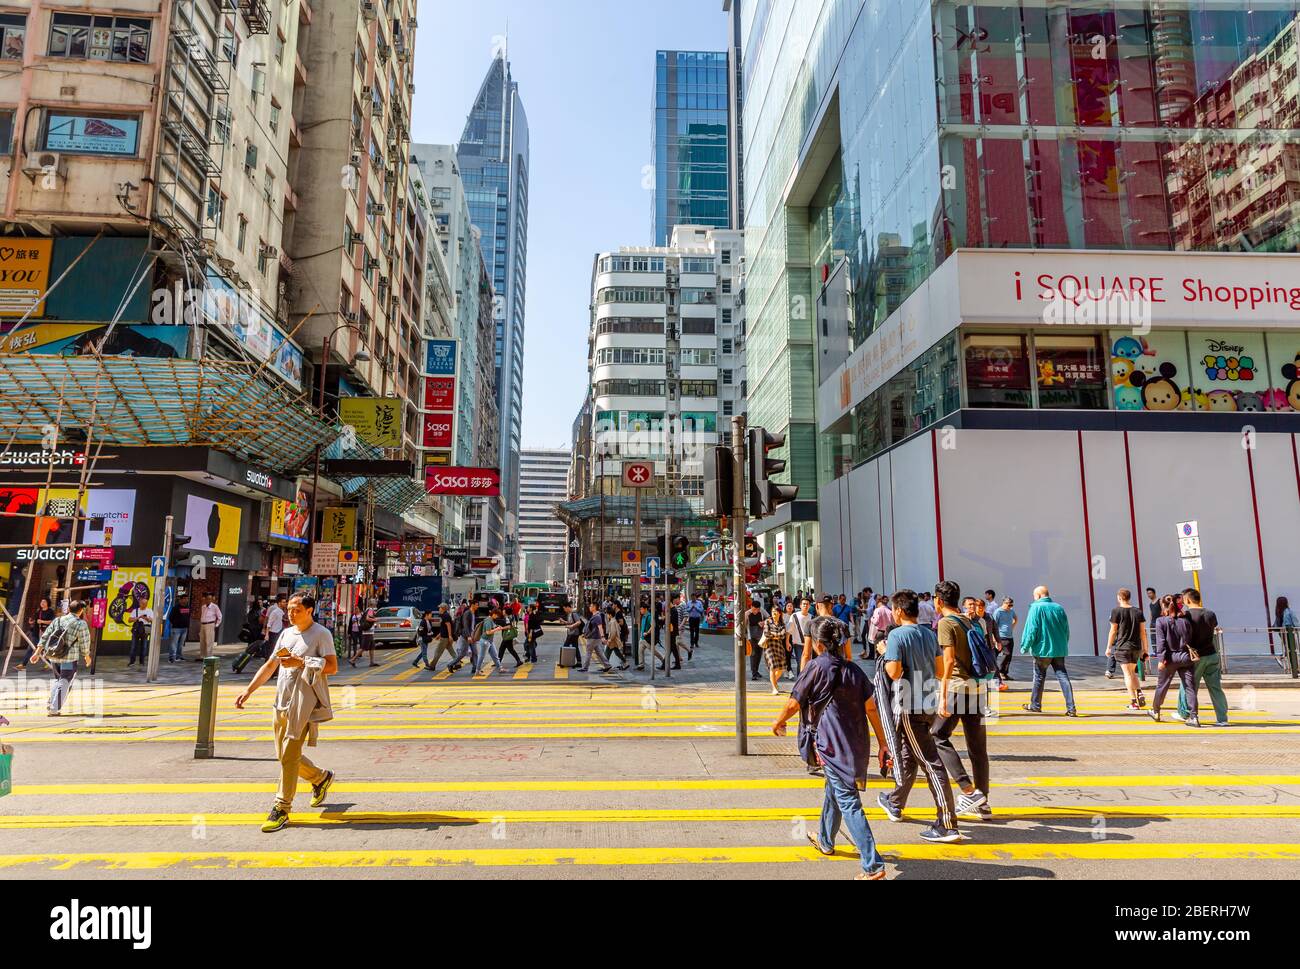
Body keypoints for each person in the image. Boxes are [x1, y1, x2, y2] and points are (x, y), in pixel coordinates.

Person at [772, 616, 891, 879]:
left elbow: (793, 703)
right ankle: (826, 840)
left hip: (831, 746)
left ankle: (873, 865)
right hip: (857, 744)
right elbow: (871, 708)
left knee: (848, 801)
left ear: (817, 643)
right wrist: (883, 744)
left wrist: (778, 722)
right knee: (833, 791)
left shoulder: (816, 667)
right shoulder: (855, 670)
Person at [235, 593, 337, 833]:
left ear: (310, 610)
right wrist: (249, 691)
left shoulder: (321, 634)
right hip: (280, 702)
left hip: (302, 705)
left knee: (289, 756)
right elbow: (271, 665)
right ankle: (320, 777)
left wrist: (301, 662)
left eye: (297, 610)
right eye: (290, 609)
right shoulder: (286, 633)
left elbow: (332, 667)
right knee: (284, 757)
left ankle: (281, 807)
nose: (291, 614)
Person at [876, 590, 962, 842]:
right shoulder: (928, 633)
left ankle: (947, 823)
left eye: (894, 609)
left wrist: (884, 652)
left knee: (930, 763)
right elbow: (938, 668)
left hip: (908, 706)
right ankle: (895, 801)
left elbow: (893, 672)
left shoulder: (896, 635)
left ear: (900, 611)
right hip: (928, 703)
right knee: (908, 756)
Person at [932, 584, 993, 821]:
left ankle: (967, 788)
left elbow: (948, 661)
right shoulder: (969, 620)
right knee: (977, 746)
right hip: (978, 688)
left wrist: (942, 695)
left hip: (958, 687)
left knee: (937, 734)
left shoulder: (946, 623)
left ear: (938, 601)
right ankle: (983, 801)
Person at [1020, 585, 1077, 716]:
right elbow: (1066, 629)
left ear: (1039, 596)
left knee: (1039, 677)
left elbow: (1031, 630)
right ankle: (1071, 707)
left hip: (1042, 649)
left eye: (1034, 596)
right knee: (1063, 676)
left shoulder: (1035, 607)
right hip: (1059, 649)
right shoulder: (1059, 608)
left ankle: (1035, 705)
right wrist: (1063, 644)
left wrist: (1025, 646)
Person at [1177, 587, 1229, 727]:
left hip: (1195, 657)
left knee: (1188, 686)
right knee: (1215, 687)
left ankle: (1185, 713)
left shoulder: (1186, 615)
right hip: (1211, 654)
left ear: (1187, 599)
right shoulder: (1210, 614)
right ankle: (1222, 718)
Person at [1149, 594, 1198, 726]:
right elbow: (1190, 639)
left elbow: (1161, 642)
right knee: (1190, 687)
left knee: (1162, 686)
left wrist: (1161, 659)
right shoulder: (1186, 621)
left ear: (1163, 607)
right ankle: (1194, 716)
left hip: (1169, 658)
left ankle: (1156, 711)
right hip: (1185, 657)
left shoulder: (1161, 621)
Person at [41, 600, 91, 716]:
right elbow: (85, 642)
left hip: (54, 657)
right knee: (65, 682)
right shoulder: (80, 623)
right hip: (69, 658)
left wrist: (37, 652)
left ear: (69, 609)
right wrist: (87, 656)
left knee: (58, 680)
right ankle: (54, 709)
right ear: (81, 610)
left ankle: (51, 703)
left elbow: (45, 636)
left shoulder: (58, 620)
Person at [1106, 588, 1148, 711]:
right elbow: (1143, 632)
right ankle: (1139, 691)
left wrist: (1109, 647)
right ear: (1129, 597)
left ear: (1119, 597)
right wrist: (1145, 649)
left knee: (1127, 674)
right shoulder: (1138, 611)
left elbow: (1113, 631)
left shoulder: (1116, 611)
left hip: (1122, 646)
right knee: (1132, 672)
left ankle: (1133, 702)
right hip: (1136, 647)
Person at [762, 605, 789, 695]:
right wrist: (776, 634)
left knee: (781, 669)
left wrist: (773, 634)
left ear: (779, 613)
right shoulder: (767, 621)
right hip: (769, 647)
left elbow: (782, 635)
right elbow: (766, 633)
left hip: (779, 648)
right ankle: (774, 688)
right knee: (773, 667)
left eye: (776, 611)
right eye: (773, 611)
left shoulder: (782, 624)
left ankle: (774, 682)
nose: (774, 613)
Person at [581, 602, 613, 674]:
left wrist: (602, 637)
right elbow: (591, 627)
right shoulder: (595, 616)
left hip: (593, 638)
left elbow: (600, 627)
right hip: (594, 637)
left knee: (588, 652)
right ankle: (607, 665)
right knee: (599, 652)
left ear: (594, 607)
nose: (589, 607)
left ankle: (585, 667)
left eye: (591, 606)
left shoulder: (597, 617)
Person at [991, 596, 1017, 680]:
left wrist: (1012, 627)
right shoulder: (998, 612)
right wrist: (994, 638)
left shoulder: (1011, 611)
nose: (1010, 607)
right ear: (1004, 603)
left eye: (1011, 605)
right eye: (1009, 605)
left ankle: (1003, 673)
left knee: (1008, 656)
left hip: (1009, 637)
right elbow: (993, 625)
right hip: (1000, 637)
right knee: (995, 654)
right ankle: (994, 672)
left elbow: (1015, 619)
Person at [428, 603, 459, 672]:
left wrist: (450, 636)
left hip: (445, 638)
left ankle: (432, 666)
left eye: (440, 608)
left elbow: (448, 626)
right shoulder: (444, 615)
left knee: (438, 652)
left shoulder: (445, 615)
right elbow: (444, 628)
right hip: (445, 636)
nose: (439, 609)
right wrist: (439, 635)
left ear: (443, 608)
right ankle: (457, 663)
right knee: (451, 650)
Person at [786, 598, 813, 677]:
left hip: (809, 645)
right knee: (800, 663)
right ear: (800, 605)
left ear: (809, 606)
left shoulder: (812, 617)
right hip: (798, 644)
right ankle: (800, 681)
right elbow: (789, 631)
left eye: (807, 604)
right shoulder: (794, 616)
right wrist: (787, 642)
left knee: (808, 663)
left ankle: (806, 682)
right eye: (803, 604)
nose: (805, 605)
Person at [349, 600, 378, 667]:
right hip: (368, 632)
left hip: (369, 632)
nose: (376, 604)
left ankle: (372, 662)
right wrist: (375, 620)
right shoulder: (370, 610)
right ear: (373, 604)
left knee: (372, 647)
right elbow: (368, 618)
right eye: (375, 603)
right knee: (363, 648)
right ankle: (352, 660)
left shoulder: (367, 609)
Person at [196, 594, 221, 661]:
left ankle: (208, 656)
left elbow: (219, 616)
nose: (208, 600)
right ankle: (202, 656)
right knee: (202, 641)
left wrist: (216, 625)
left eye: (210, 599)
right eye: (207, 599)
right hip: (203, 624)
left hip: (210, 624)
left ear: (212, 600)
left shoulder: (215, 607)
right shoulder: (203, 606)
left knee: (209, 641)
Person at [745, 598, 766, 681]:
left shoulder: (762, 611)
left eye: (757, 609)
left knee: (759, 654)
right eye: (754, 609)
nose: (755, 611)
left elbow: (769, 618)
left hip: (761, 637)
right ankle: (754, 673)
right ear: (751, 607)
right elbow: (743, 626)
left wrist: (763, 622)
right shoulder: (747, 614)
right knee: (753, 654)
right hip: (751, 637)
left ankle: (756, 671)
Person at [127, 598, 152, 667]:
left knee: (144, 646)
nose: (145, 605)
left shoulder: (149, 610)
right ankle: (132, 661)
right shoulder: (135, 611)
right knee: (133, 646)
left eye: (146, 603)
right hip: (137, 629)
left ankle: (142, 661)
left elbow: (152, 620)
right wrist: (137, 618)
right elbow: (129, 620)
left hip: (146, 629)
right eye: (143, 603)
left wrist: (146, 618)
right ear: (140, 603)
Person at [167, 594, 191, 663]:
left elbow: (188, 616)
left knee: (181, 644)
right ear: (181, 599)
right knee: (174, 644)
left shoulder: (188, 607)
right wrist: (176, 623)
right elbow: (171, 617)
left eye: (187, 599)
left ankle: (179, 656)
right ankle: (171, 658)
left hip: (185, 629)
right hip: (176, 628)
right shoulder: (176, 607)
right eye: (185, 599)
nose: (186, 600)